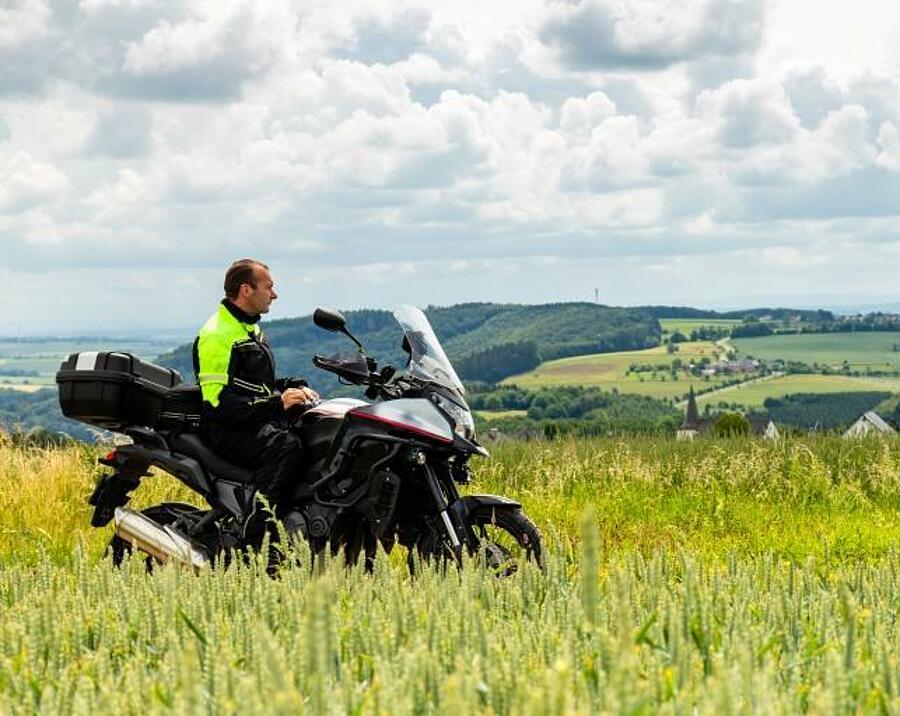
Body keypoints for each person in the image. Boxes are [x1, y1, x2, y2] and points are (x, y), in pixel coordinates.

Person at [192, 258, 318, 508]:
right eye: (268, 287)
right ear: (246, 290)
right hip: (227, 431)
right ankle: (259, 530)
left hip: (254, 422)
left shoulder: (247, 329)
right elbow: (216, 402)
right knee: (286, 446)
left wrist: (294, 386)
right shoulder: (217, 335)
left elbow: (256, 385)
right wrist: (276, 404)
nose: (274, 294)